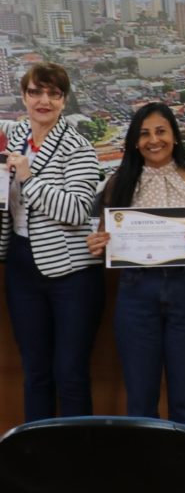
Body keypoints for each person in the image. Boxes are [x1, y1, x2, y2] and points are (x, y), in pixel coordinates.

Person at [86, 102, 185, 427]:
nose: (153, 140)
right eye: (144, 134)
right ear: (133, 141)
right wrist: (97, 243)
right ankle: (145, 475)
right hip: (136, 293)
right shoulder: (119, 183)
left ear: (175, 135)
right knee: (140, 399)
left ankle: (183, 474)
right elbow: (104, 235)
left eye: (161, 131)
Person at [0, 62, 103, 421]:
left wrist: (29, 178)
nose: (44, 100)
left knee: (70, 374)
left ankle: (76, 466)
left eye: (53, 94)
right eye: (35, 92)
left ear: (64, 100)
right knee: (35, 372)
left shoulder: (79, 147)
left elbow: (76, 211)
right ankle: (35, 463)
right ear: (24, 96)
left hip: (71, 272)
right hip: (20, 262)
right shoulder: (11, 136)